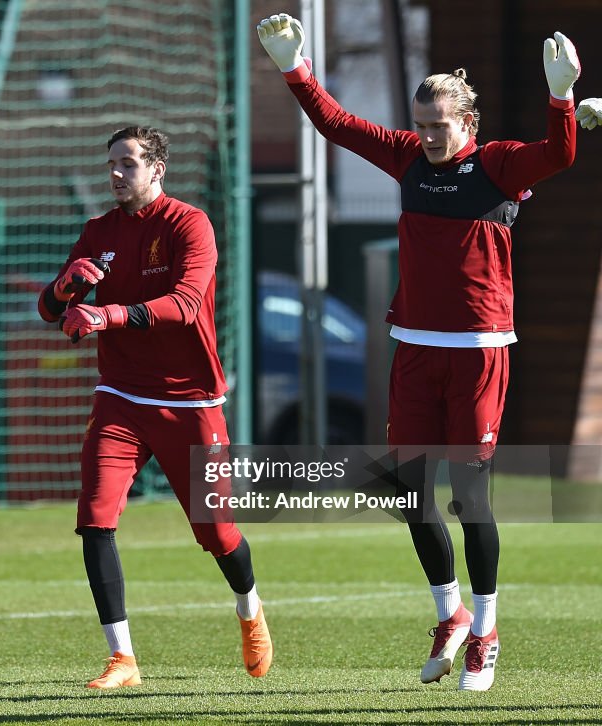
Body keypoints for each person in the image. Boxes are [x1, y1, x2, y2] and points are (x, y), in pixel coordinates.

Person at [256, 14, 578, 691]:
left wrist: (562, 98)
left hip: (480, 353)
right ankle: (450, 612)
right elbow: (338, 125)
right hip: (414, 349)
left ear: (468, 123)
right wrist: (295, 68)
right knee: (406, 493)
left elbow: (559, 155)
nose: (429, 135)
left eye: (441, 124)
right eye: (422, 123)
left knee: (470, 499)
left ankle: (487, 632)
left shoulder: (497, 164)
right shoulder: (405, 155)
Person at [37, 126, 271, 689]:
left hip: (191, 402)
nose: (116, 173)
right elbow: (50, 309)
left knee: (215, 531)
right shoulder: (98, 230)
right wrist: (68, 289)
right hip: (120, 397)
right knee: (95, 519)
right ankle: (123, 659)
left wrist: (107, 315)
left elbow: (186, 306)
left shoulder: (190, 224)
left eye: (129, 164)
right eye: (112, 164)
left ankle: (251, 610)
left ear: (157, 170)